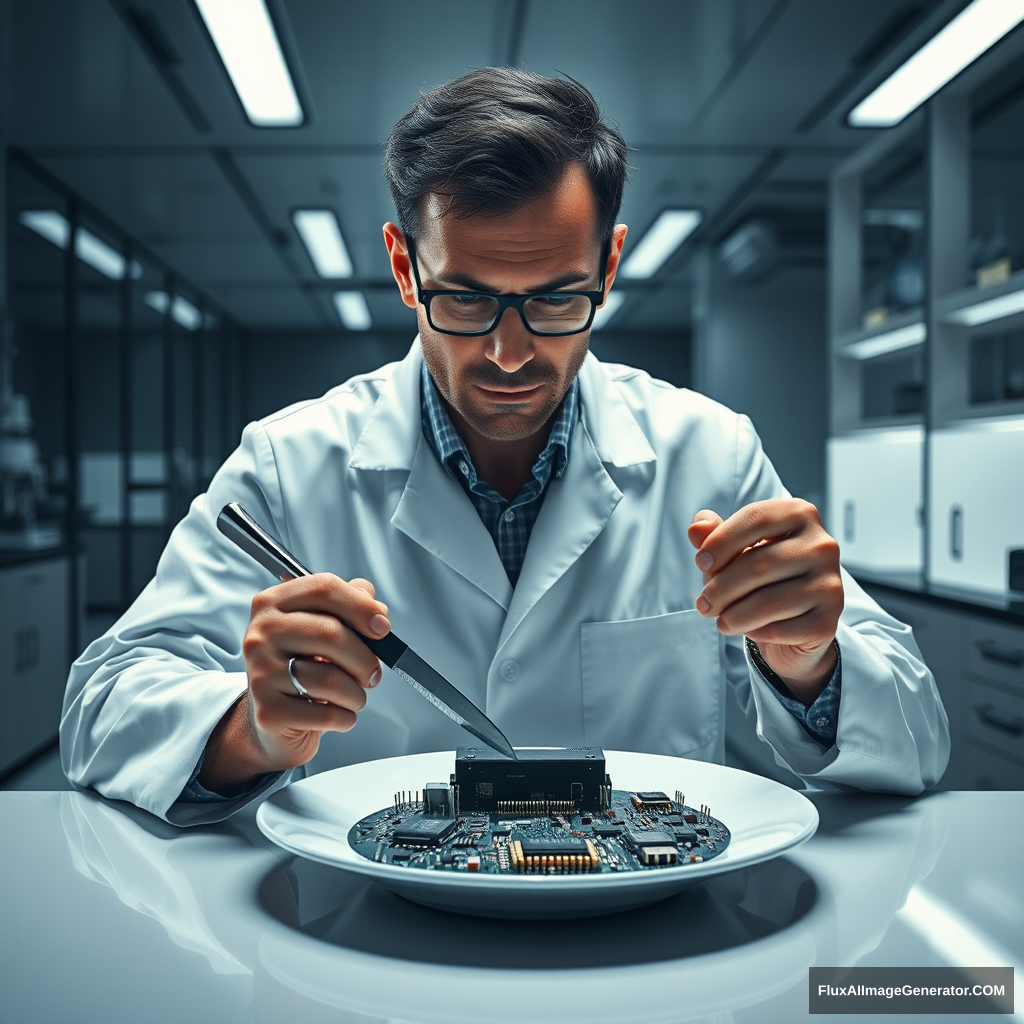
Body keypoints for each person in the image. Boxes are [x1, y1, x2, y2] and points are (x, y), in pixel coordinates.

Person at [61, 69, 949, 825]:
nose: (511, 353)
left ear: (609, 266)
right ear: (406, 267)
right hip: (360, 957)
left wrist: (811, 664)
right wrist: (249, 730)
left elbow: (921, 732)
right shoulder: (288, 464)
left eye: (558, 299)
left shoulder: (709, 452)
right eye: (467, 299)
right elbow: (100, 704)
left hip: (652, 956)